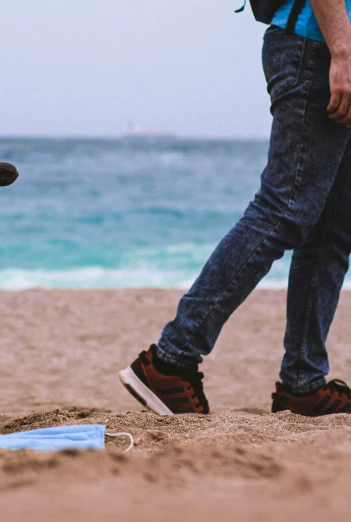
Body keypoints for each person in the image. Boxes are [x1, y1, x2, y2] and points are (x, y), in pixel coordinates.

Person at [119, 0, 351, 416]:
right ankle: (170, 361)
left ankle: (303, 382)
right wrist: (342, 51)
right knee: (285, 210)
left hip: (332, 52)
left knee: (332, 229)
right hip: (316, 49)